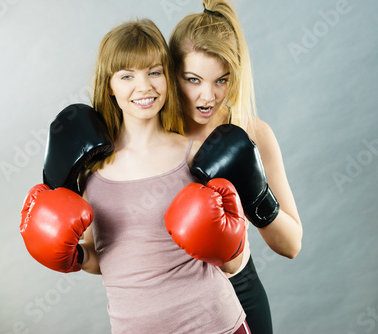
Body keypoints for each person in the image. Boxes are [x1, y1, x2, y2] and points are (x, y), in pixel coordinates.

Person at [20, 18, 252, 334]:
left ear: (168, 78)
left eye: (154, 72)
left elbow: (234, 265)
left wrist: (227, 244)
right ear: (110, 86)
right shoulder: (90, 170)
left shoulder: (196, 154)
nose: (144, 87)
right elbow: (104, 260)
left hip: (215, 324)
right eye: (128, 75)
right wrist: (71, 256)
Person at [168, 1, 304, 333]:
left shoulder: (252, 133)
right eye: (193, 79)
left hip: (239, 294)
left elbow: (291, 245)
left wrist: (256, 194)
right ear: (172, 73)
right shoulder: (156, 136)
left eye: (221, 80)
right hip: (171, 304)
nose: (208, 96)